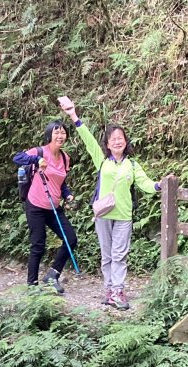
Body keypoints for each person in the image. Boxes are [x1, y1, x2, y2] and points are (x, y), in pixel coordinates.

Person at [59, 96, 163, 310]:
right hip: (103, 214)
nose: (117, 141)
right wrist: (73, 114)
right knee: (107, 255)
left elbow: (145, 183)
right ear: (107, 144)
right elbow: (87, 139)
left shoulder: (132, 165)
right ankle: (109, 290)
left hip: (123, 216)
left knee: (119, 255)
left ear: (125, 142)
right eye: (113, 138)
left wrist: (159, 186)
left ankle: (118, 290)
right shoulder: (102, 161)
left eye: (120, 138)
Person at [13, 121, 77, 292]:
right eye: (57, 132)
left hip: (54, 206)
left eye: (63, 133)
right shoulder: (40, 151)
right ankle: (32, 284)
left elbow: (60, 182)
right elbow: (17, 158)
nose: (60, 136)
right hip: (35, 204)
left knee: (71, 238)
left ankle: (53, 274)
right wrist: (36, 159)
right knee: (38, 243)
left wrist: (67, 194)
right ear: (49, 135)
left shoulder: (65, 158)